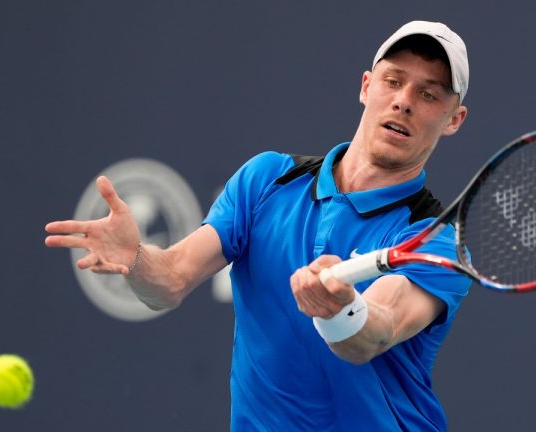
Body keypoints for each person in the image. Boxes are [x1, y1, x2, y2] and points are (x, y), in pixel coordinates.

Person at [46, 20, 472, 431]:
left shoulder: (435, 241)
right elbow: (170, 280)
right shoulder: (267, 180)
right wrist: (136, 260)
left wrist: (342, 310)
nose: (404, 101)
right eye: (393, 81)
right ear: (366, 86)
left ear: (454, 119)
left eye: (429, 94)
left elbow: (375, 333)